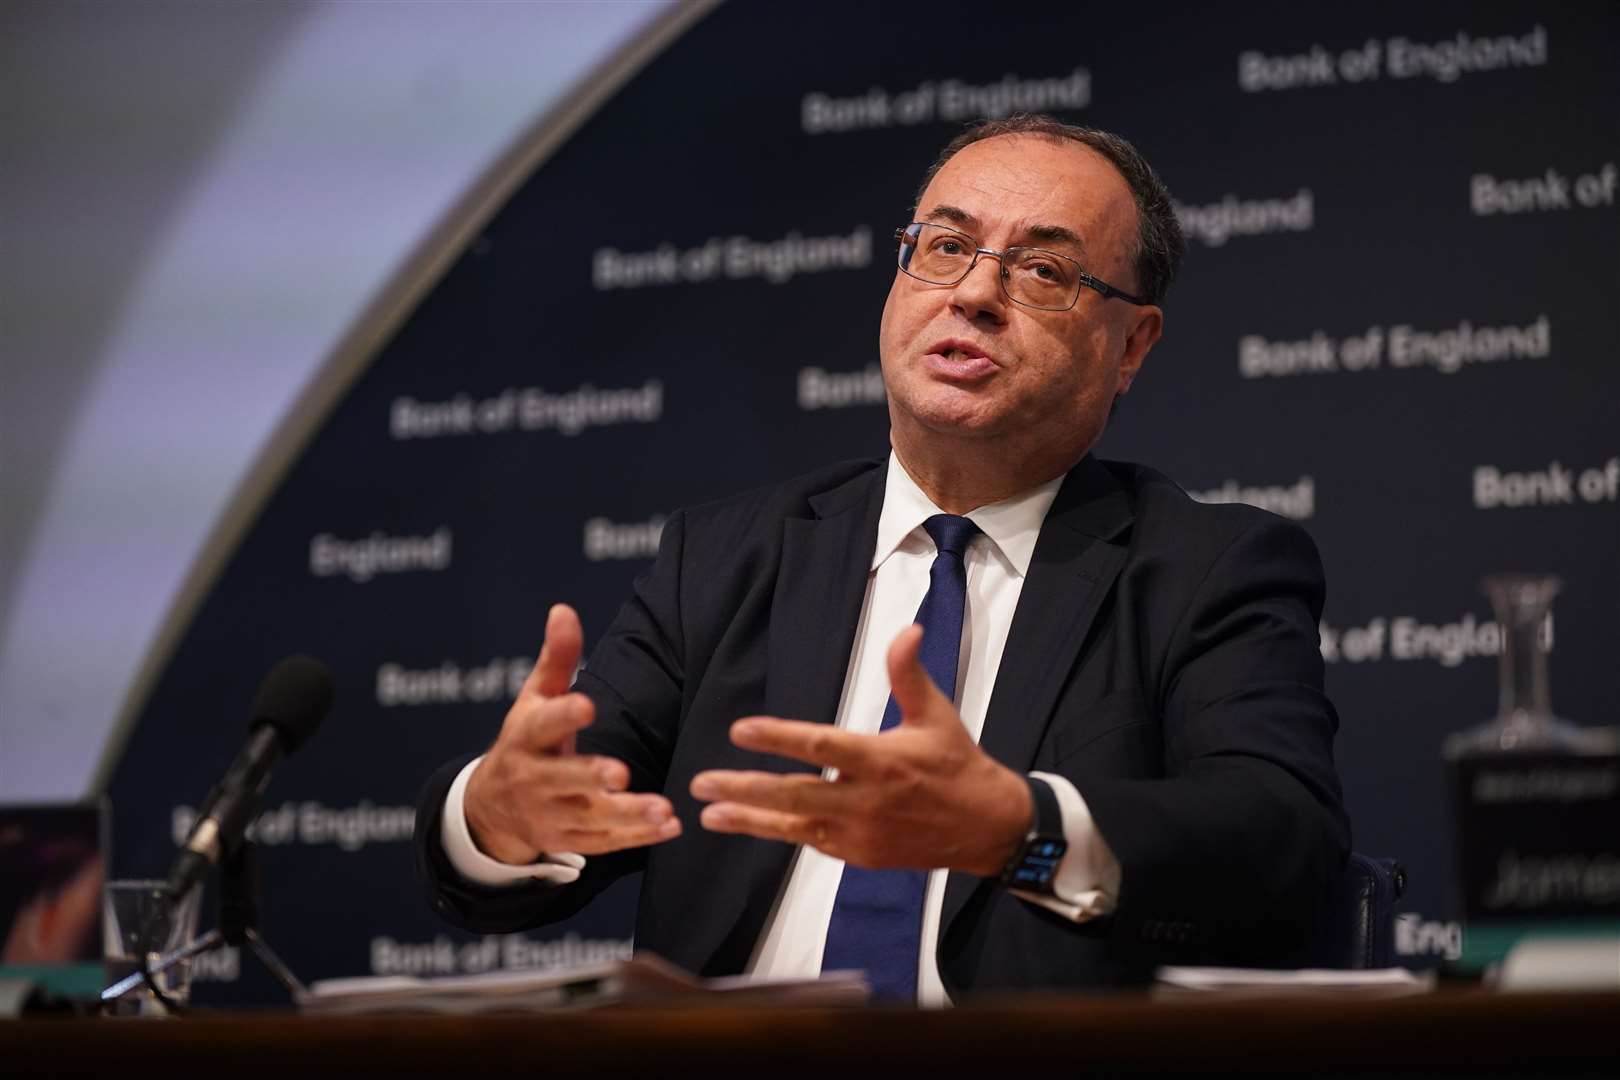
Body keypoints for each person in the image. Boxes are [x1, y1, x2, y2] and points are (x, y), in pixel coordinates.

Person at [414, 114, 1349, 1003]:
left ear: (1131, 345)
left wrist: (1018, 831)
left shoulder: (1205, 567)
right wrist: (499, 817)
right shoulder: (725, 558)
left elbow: (1282, 843)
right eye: (945, 247)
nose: (975, 293)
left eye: (1044, 270)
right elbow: (571, 816)